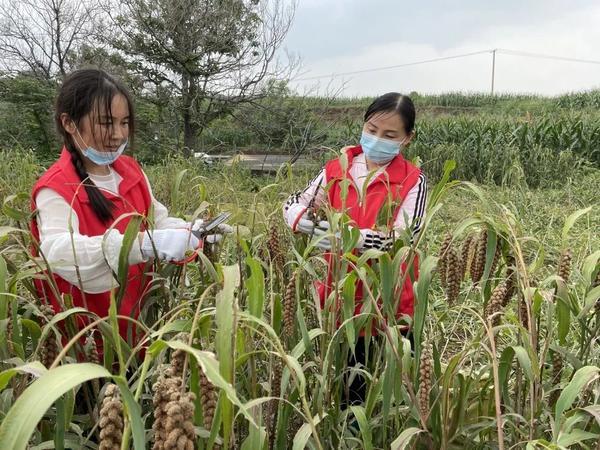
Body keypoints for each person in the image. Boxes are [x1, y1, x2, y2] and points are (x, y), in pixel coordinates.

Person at [30, 69, 231, 344]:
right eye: (106, 122)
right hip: (86, 342)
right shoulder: (56, 187)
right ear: (69, 123)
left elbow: (158, 221)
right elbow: (58, 252)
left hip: (139, 330)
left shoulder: (130, 171)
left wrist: (192, 231)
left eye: (124, 123)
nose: (118, 134)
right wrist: (140, 245)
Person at [282, 92, 427, 405]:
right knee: (350, 392)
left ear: (407, 139)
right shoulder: (337, 169)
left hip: (388, 302)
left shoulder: (412, 180)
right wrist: (302, 221)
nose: (377, 139)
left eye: (389, 135)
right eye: (372, 130)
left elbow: (401, 238)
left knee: (395, 393)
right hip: (342, 299)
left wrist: (346, 236)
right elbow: (295, 203)